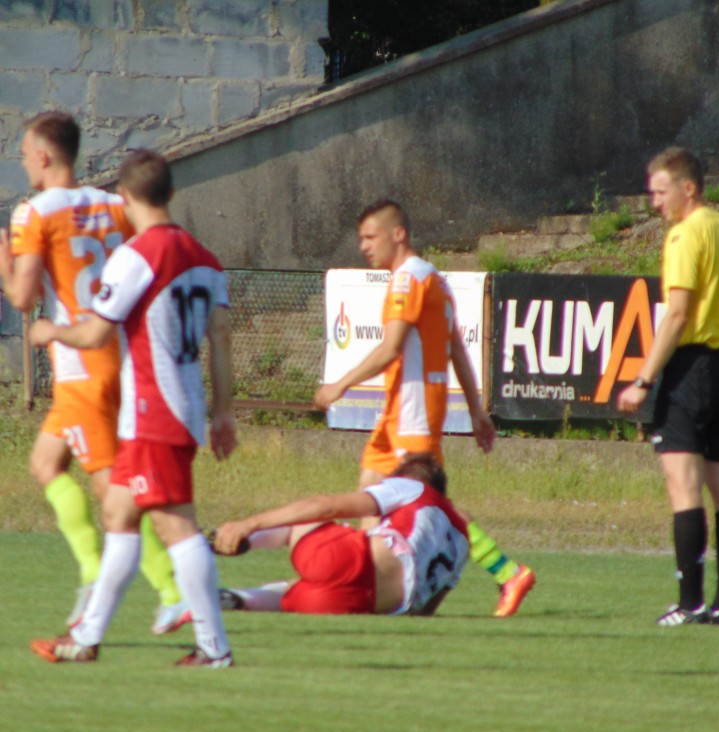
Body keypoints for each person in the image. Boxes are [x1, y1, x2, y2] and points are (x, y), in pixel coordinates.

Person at [28, 148, 237, 666]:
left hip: (153, 409)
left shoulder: (138, 256)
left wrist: (52, 329)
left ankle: (214, 648)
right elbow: (222, 336)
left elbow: (97, 330)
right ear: (169, 192)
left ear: (125, 196)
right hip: (184, 406)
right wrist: (224, 413)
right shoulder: (206, 258)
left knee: (175, 525)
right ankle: (86, 638)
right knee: (120, 513)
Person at [0, 111, 188, 634]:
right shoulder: (115, 204)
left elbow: (22, 297)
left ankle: (173, 592)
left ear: (43, 155)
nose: (23, 163)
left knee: (114, 492)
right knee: (45, 462)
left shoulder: (35, 212)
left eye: (23, 154)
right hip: (118, 355)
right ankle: (89, 570)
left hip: (81, 364)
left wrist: (3, 259)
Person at [312, 200, 535, 617]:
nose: (363, 246)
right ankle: (366, 585)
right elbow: (458, 352)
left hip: (412, 414)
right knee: (368, 497)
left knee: (431, 504)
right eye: (360, 238)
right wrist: (477, 411)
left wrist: (340, 384)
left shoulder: (408, 280)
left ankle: (508, 571)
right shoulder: (435, 279)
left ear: (399, 234)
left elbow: (391, 347)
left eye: (370, 236)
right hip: (397, 413)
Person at [617, 147, 719, 627]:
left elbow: (677, 314)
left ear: (688, 188)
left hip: (691, 370)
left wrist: (643, 379)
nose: (654, 203)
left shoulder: (685, 236)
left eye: (660, 192)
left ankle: (689, 603)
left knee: (684, 488)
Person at [212, 453, 469, 617]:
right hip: (359, 604)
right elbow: (424, 611)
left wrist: (250, 522)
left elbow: (326, 505)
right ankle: (241, 598)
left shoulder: (413, 486)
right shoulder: (462, 539)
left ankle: (232, 540)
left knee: (308, 517)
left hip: (349, 561)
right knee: (295, 591)